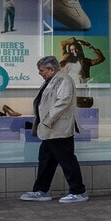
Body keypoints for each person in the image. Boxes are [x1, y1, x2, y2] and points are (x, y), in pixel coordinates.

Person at [18, 55, 86, 202]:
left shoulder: (63, 80)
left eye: (41, 70)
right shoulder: (51, 80)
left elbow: (63, 102)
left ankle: (78, 191)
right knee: (46, 160)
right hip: (50, 128)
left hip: (58, 128)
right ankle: (42, 190)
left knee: (66, 160)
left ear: (51, 69)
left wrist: (47, 120)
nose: (39, 73)